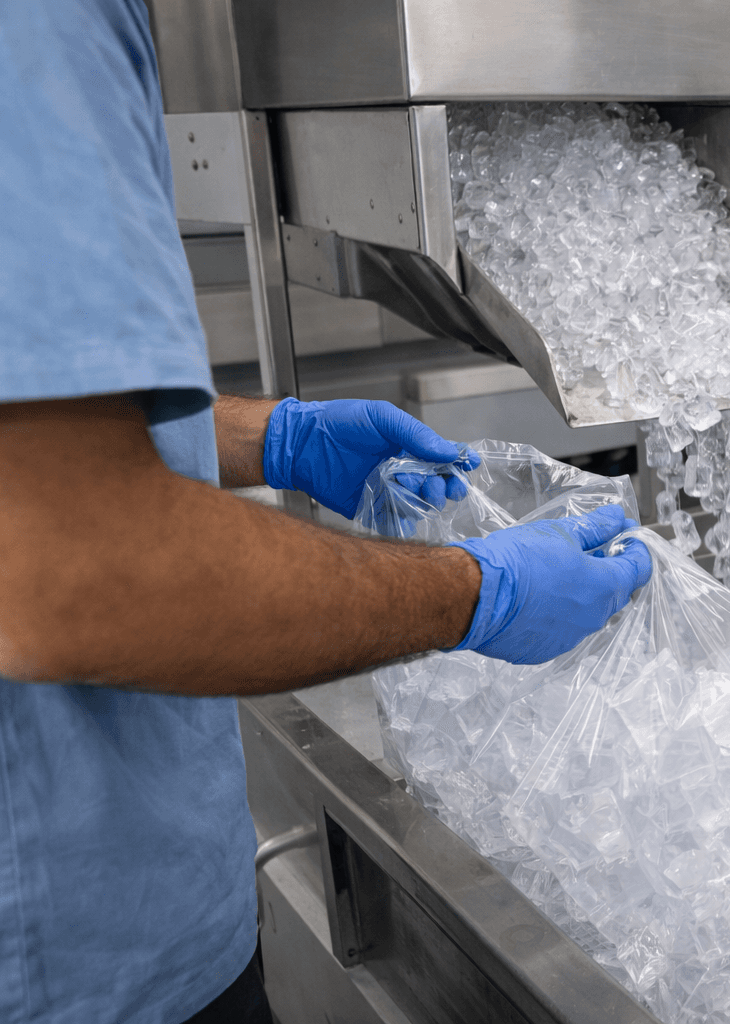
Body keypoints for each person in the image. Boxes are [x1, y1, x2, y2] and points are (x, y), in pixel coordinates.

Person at [0, 3, 652, 1022]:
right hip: (76, 972)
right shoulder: (39, 22)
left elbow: (36, 427)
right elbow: (73, 568)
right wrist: (477, 592)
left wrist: (273, 437)